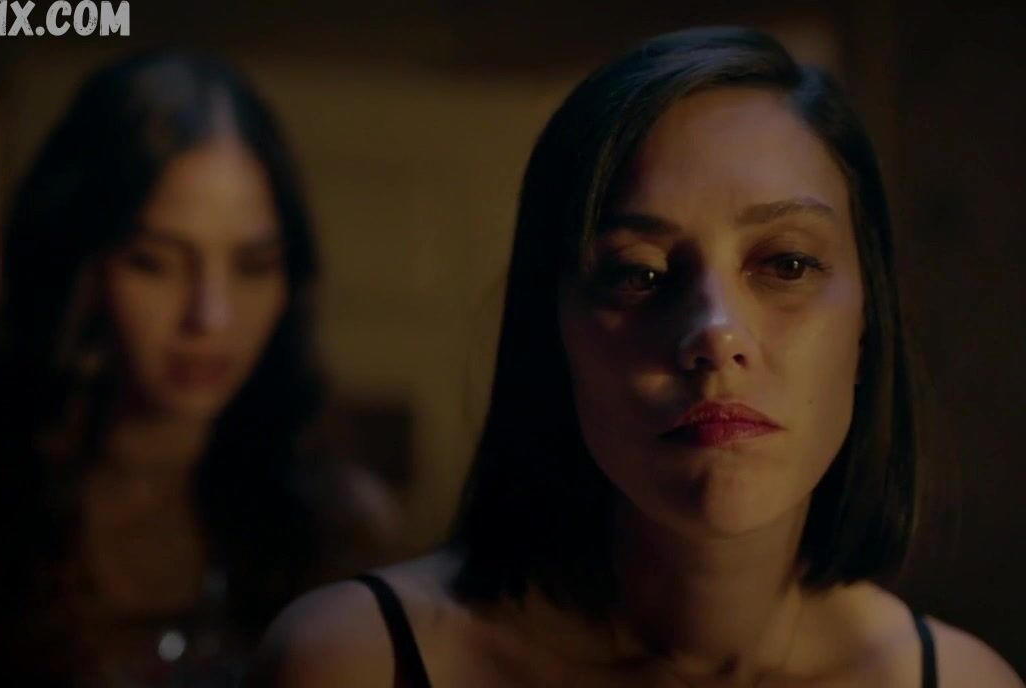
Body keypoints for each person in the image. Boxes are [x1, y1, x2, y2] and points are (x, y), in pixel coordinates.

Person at [245, 27, 1024, 688]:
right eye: (638, 274)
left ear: (867, 330)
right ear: (555, 333)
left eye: (786, 264)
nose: (715, 333)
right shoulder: (355, 663)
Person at [0, 51, 396, 686]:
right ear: (81, 268)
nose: (210, 317)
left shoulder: (340, 533)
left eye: (253, 266)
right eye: (155, 262)